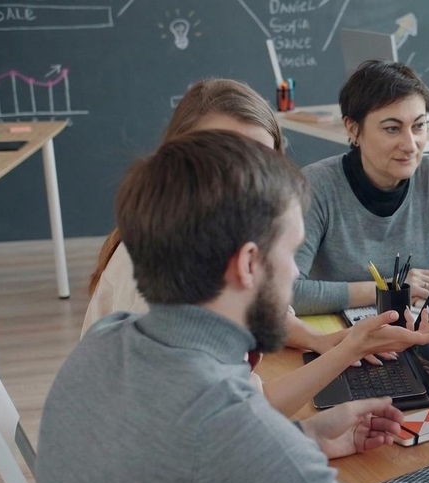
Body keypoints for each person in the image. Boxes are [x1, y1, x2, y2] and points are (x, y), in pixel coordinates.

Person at [36, 131, 429, 483]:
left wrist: (304, 437)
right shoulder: (227, 430)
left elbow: (176, 474)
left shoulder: (104, 345)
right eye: (290, 253)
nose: (295, 275)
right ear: (247, 265)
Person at [83, 78, 393, 415]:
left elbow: (238, 407)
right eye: (223, 158)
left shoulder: (221, 241)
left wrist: (323, 343)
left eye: (260, 159)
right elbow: (207, 429)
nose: (245, 177)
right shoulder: (158, 275)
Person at [293, 60, 429, 315]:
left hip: (412, 331)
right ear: (353, 129)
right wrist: (391, 289)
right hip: (337, 338)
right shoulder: (316, 186)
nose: (410, 145)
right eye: (392, 129)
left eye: (419, 126)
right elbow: (286, 293)